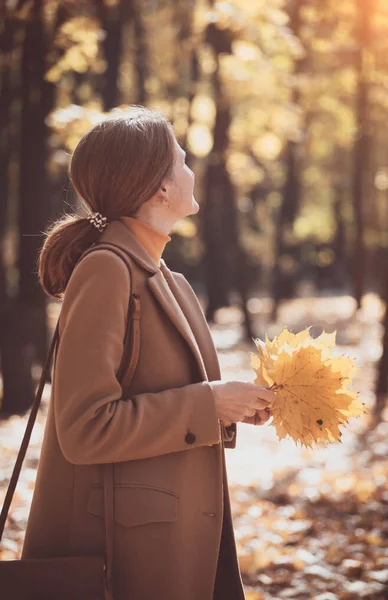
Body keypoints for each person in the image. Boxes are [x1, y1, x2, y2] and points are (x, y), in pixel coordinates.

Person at [21, 106, 275, 599]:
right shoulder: (106, 271)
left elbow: (172, 396)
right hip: (123, 559)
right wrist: (210, 403)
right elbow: (85, 428)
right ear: (159, 188)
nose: (191, 169)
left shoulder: (168, 279)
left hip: (171, 542)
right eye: (182, 160)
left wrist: (236, 404)